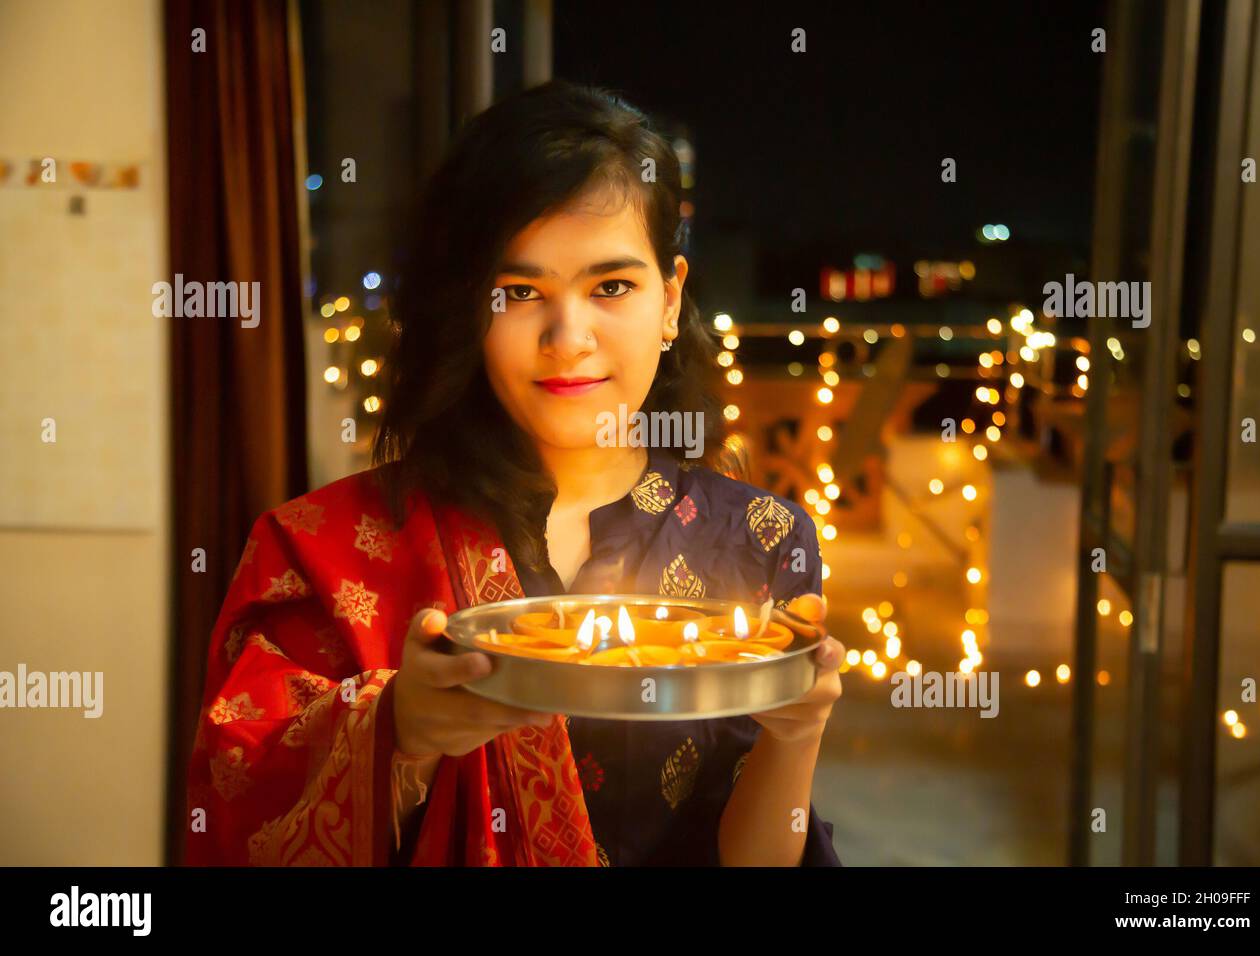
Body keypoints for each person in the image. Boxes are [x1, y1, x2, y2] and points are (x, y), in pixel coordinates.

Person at [186, 79, 845, 866]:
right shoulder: (323, 551)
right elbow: (239, 812)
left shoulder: (759, 539)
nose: (568, 337)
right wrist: (401, 730)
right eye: (520, 291)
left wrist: (797, 735)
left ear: (670, 300)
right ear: (470, 308)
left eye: (612, 287)